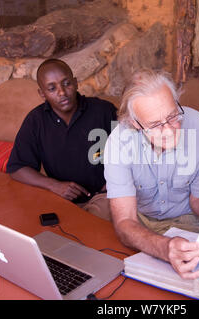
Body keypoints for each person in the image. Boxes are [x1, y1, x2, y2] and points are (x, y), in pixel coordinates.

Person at [104, 69, 199, 279]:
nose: (168, 130)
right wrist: (166, 248)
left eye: (173, 116)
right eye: (155, 125)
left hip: (187, 220)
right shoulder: (118, 142)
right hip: (138, 222)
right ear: (135, 124)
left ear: (177, 102)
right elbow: (124, 221)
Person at [6, 59, 117, 220]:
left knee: (97, 221)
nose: (62, 93)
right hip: (60, 199)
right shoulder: (35, 121)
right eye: (52, 88)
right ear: (42, 94)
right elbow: (17, 168)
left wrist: (114, 184)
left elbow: (131, 154)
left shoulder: (104, 111)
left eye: (67, 84)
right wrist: (54, 185)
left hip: (103, 197)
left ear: (76, 83)